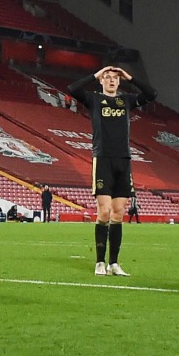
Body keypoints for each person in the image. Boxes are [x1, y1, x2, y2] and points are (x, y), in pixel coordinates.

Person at [67, 64, 157, 276]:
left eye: (115, 78)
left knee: (118, 213)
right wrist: (95, 74)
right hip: (103, 159)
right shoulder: (94, 99)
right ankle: (100, 261)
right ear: (101, 81)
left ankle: (113, 263)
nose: (111, 80)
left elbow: (151, 94)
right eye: (107, 77)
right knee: (104, 211)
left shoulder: (126, 100)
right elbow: (72, 88)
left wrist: (130, 77)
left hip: (123, 160)